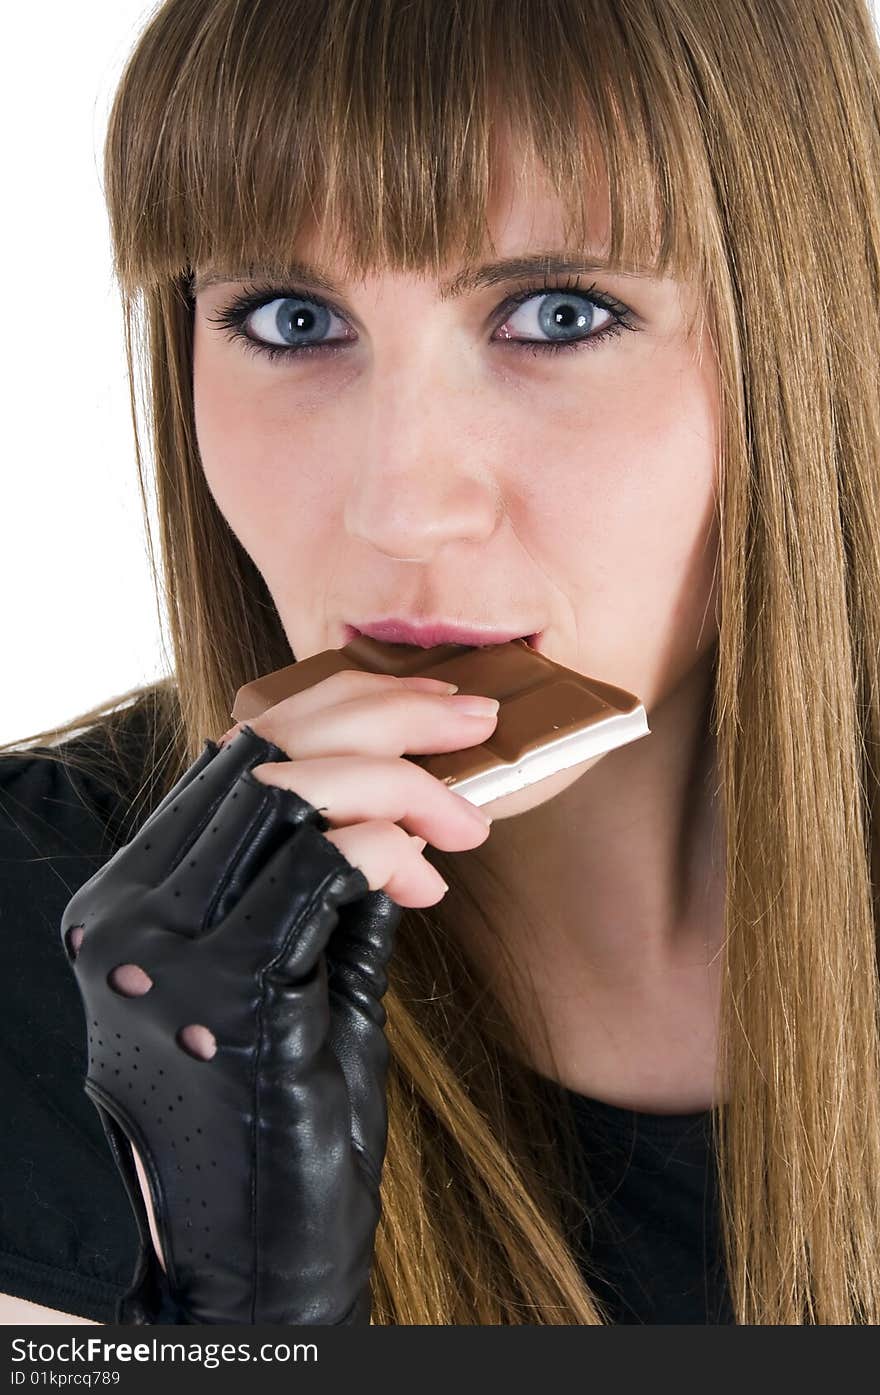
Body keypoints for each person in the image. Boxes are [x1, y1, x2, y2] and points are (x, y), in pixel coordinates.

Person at [2, 0, 879, 1326]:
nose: (402, 507)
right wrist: (241, 1316)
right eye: (291, 319)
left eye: (560, 314)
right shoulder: (39, 936)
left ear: (813, 337)